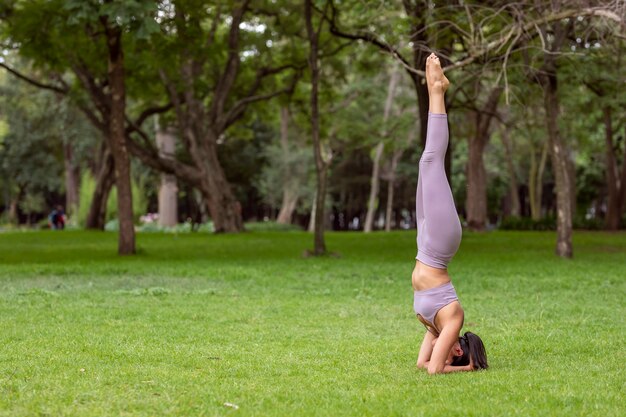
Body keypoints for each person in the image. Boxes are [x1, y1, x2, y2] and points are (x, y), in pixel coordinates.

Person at [412, 53, 488, 374]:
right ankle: (437, 90)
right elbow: (435, 371)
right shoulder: (453, 318)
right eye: (461, 346)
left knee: (424, 163)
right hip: (440, 245)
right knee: (431, 161)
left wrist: (448, 357)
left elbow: (423, 364)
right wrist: (468, 367)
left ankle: (437, 89)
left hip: (424, 245)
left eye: (456, 352)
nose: (454, 346)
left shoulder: (435, 327)